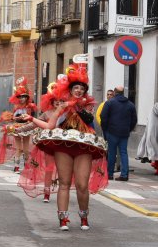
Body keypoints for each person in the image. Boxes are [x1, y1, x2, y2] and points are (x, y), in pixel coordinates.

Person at [19, 65, 108, 231]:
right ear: (71, 89)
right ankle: (63, 218)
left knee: (82, 185)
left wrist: (78, 106)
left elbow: (92, 123)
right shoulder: (62, 107)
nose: (79, 90)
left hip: (84, 148)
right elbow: (49, 125)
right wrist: (31, 118)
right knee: (64, 183)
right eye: (76, 88)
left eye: (82, 88)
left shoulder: (87, 106)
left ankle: (83, 216)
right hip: (63, 146)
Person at [0, 77, 37, 173]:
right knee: (19, 149)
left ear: (27, 97)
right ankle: (16, 167)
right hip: (17, 128)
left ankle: (26, 167)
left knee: (26, 150)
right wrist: (8, 118)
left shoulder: (30, 107)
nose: (22, 99)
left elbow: (32, 118)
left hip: (27, 127)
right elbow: (13, 117)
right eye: (20, 97)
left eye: (23, 96)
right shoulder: (16, 107)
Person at [100, 86, 137, 181]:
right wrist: (129, 129)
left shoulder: (109, 103)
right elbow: (134, 120)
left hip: (111, 132)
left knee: (112, 153)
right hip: (124, 133)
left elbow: (103, 117)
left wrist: (105, 130)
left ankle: (110, 174)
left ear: (115, 92)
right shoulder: (130, 105)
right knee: (123, 152)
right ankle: (124, 175)